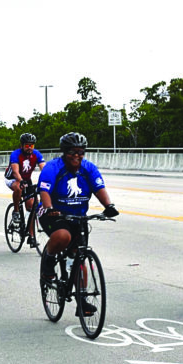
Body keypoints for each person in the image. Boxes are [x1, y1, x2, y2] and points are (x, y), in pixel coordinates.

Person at [38, 132, 119, 315]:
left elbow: (99, 188)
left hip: (78, 216)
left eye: (81, 152)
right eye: (73, 152)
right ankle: (49, 261)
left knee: (80, 257)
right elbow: (44, 191)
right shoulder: (52, 167)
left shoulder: (88, 168)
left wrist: (109, 206)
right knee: (63, 236)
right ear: (64, 152)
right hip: (54, 213)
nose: (77, 156)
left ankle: (82, 301)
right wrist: (49, 207)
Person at [4, 133, 45, 243]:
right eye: (27, 145)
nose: (29, 148)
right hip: (12, 179)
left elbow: (44, 169)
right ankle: (16, 212)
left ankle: (31, 236)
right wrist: (21, 180)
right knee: (18, 187)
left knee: (33, 207)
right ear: (21, 145)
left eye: (31, 146)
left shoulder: (36, 154)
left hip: (27, 180)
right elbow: (16, 172)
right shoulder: (15, 154)